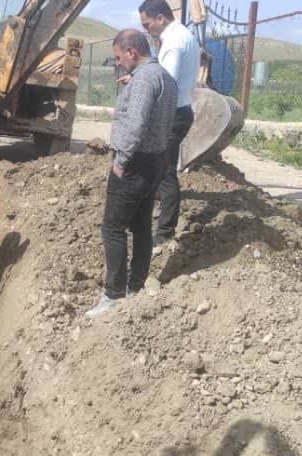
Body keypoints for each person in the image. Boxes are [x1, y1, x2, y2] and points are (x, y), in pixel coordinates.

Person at [86, 29, 177, 318]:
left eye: (119, 57)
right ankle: (135, 287)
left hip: (134, 163)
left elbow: (136, 124)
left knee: (112, 229)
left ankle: (113, 295)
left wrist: (121, 161)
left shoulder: (144, 81)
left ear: (132, 52)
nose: (119, 63)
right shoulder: (164, 77)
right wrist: (132, 86)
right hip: (156, 162)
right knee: (140, 228)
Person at [138, 0, 200, 244]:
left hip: (172, 116)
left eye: (147, 23)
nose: (146, 29)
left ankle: (164, 233)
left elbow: (166, 83)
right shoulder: (185, 35)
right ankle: (151, 205)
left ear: (160, 18)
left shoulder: (173, 43)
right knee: (159, 166)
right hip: (181, 110)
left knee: (165, 172)